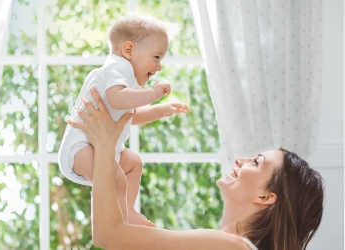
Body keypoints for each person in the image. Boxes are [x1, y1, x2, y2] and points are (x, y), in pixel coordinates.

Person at [67, 88, 325, 250]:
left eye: (256, 162)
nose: (240, 160)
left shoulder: (230, 246)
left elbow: (109, 237)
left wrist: (103, 146)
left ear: (266, 197)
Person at [58, 13, 190, 227]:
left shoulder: (124, 79)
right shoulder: (117, 67)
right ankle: (120, 217)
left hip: (104, 148)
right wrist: (154, 94)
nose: (158, 68)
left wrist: (162, 110)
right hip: (81, 148)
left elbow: (130, 115)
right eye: (156, 57)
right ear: (128, 50)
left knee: (133, 162)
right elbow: (118, 100)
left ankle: (126, 211)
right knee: (117, 178)